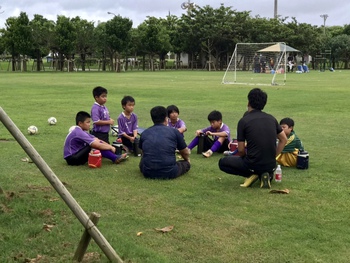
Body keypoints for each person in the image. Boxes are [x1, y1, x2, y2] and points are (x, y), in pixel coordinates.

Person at [218, 88, 287, 189]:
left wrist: (247, 159)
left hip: (252, 163)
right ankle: (265, 174)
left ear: (248, 102)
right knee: (263, 167)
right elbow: (283, 139)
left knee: (222, 163)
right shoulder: (272, 119)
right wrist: (274, 155)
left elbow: (241, 150)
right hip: (271, 164)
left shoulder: (244, 121)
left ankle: (252, 174)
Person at [139, 106, 191, 179]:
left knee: (143, 162)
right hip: (169, 172)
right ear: (166, 118)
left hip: (148, 172)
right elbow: (185, 152)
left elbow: (143, 153)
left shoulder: (145, 133)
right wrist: (187, 160)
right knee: (186, 164)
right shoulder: (174, 132)